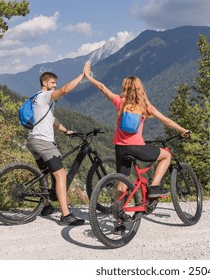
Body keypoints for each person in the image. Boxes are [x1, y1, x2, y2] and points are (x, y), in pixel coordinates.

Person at [83, 61, 189, 198]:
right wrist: (182, 130)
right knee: (166, 156)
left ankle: (118, 212)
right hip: (137, 147)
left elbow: (102, 87)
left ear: (125, 88)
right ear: (139, 89)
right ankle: (154, 187)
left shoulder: (120, 102)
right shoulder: (145, 106)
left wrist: (87, 75)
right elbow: (166, 120)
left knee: (122, 179)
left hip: (120, 147)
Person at [26, 71, 85, 226]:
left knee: (45, 173)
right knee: (60, 175)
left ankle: (45, 206)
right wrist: (81, 76)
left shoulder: (39, 100)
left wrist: (65, 130)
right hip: (43, 142)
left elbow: (51, 119)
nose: (55, 86)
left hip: (33, 140)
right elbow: (65, 90)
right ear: (44, 83)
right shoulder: (44, 96)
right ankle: (66, 215)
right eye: (53, 83)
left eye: (55, 83)